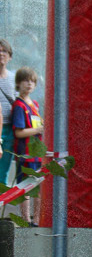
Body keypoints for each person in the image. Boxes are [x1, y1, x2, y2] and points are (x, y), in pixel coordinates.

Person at [12, 67, 43, 225]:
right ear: (18, 83)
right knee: (25, 187)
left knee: (39, 186)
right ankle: (25, 220)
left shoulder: (35, 104)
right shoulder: (19, 106)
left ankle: (36, 219)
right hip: (25, 153)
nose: (29, 84)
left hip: (37, 152)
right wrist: (37, 129)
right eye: (26, 81)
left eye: (32, 81)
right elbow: (19, 132)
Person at [0, 39, 16, 186]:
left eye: (4, 51)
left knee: (3, 171)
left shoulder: (14, 78)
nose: (1, 54)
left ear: (10, 56)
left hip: (10, 129)